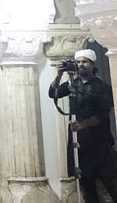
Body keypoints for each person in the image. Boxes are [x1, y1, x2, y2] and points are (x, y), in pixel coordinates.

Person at [48, 48, 117, 203]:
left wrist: (83, 125)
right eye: (78, 62)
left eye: (84, 62)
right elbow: (53, 93)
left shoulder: (102, 87)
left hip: (99, 143)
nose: (80, 65)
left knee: (109, 182)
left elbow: (102, 115)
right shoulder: (72, 84)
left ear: (92, 64)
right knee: (87, 186)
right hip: (80, 143)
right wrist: (59, 75)